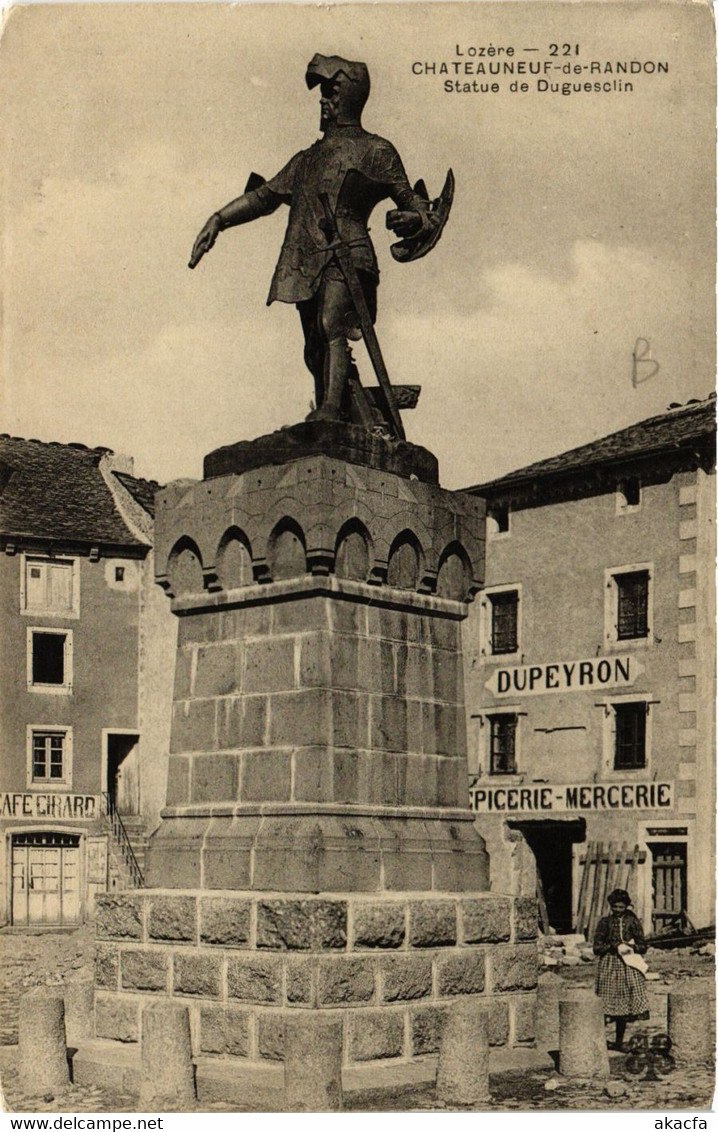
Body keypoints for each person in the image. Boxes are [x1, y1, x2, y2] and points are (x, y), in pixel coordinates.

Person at [189, 54, 439, 430]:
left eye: (329, 94)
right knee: (313, 347)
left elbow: (415, 204)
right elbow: (263, 198)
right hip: (305, 259)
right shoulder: (306, 159)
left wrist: (414, 219)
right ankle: (337, 409)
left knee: (330, 324)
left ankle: (330, 409)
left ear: (347, 97)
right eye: (323, 94)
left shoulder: (377, 151)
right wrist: (219, 218)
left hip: (348, 253)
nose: (323, 102)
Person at [593, 887, 649, 1051]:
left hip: (629, 965)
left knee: (625, 1006)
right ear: (611, 906)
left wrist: (630, 947)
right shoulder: (604, 923)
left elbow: (643, 946)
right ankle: (599, 1041)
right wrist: (613, 946)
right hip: (609, 965)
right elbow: (596, 948)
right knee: (606, 1003)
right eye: (615, 907)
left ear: (626, 906)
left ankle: (619, 1041)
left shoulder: (633, 922)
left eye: (621, 907)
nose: (618, 910)